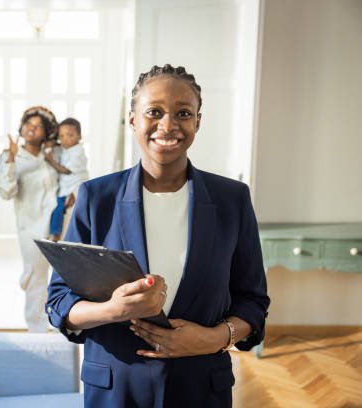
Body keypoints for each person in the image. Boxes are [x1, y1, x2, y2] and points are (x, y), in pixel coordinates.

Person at [46, 64, 270, 407]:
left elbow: (252, 302)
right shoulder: (96, 198)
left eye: (183, 113)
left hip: (201, 388)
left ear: (198, 121)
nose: (168, 125)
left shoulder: (232, 200)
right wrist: (112, 310)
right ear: (133, 119)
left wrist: (213, 339)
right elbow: (59, 301)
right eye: (154, 112)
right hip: (115, 389)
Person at [0, 106, 59, 332]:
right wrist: (11, 161)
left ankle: (58, 324)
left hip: (56, 225)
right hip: (31, 227)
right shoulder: (10, 156)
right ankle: (38, 332)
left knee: (57, 277)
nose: (32, 128)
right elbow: (5, 192)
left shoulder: (49, 156)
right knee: (36, 279)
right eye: (28, 124)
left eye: (38, 126)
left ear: (46, 133)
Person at [44, 117, 89, 241]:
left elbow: (66, 170)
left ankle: (56, 236)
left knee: (59, 211)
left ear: (79, 136)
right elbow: (57, 146)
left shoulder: (78, 151)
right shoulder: (64, 148)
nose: (65, 139)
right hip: (64, 189)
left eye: (70, 135)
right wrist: (52, 144)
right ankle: (55, 233)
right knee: (56, 210)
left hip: (74, 189)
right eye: (61, 136)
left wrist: (49, 160)